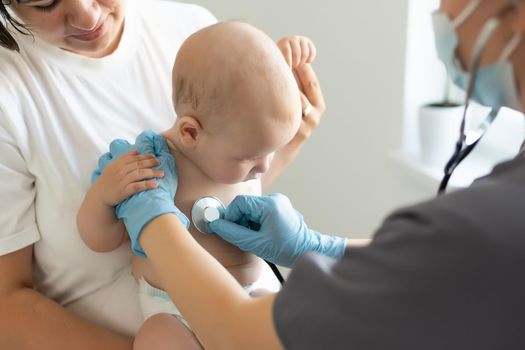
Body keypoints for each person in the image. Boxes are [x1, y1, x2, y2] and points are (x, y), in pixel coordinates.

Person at [97, 0, 525, 349]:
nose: (441, 12)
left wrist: (152, 220)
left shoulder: (489, 225)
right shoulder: (160, 158)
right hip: (170, 311)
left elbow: (243, 335)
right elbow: (432, 266)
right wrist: (314, 248)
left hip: (244, 306)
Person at [0, 1, 324, 349]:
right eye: (45, 2)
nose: (87, 16)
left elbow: (218, 198)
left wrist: (287, 133)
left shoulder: (196, 32)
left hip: (250, 303)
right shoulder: (11, 92)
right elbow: (7, 304)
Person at [77, 21, 319, 349]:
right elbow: (100, 240)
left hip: (248, 297)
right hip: (174, 311)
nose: (262, 168)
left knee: (294, 322)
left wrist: (282, 72)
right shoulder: (150, 163)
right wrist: (104, 195)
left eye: (270, 153)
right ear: (191, 132)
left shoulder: (234, 149)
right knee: (157, 338)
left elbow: (257, 149)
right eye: (250, 157)